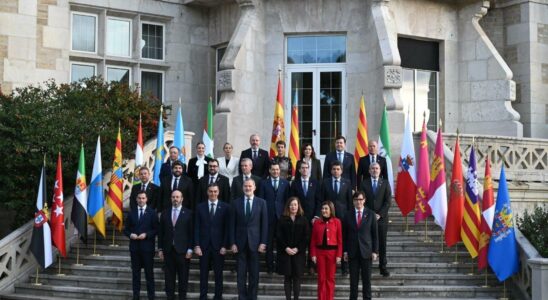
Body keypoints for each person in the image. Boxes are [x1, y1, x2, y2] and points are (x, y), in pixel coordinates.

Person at [230, 178, 268, 300]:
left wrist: (263, 242)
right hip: (240, 244)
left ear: (254, 187)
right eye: (245, 186)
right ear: (242, 188)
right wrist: (232, 243)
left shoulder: (261, 203)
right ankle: (242, 297)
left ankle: (252, 297)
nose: (247, 188)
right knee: (240, 274)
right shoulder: (236, 203)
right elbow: (232, 225)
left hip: (255, 244)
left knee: (254, 275)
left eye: (250, 186)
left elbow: (264, 224)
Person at [194, 183, 231, 300]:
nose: (213, 193)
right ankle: (203, 296)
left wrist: (225, 245)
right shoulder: (200, 207)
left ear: (218, 192)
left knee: (218, 275)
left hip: (219, 247)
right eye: (211, 191)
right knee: (203, 275)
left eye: (215, 191)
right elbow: (196, 228)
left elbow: (227, 228)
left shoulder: (226, 207)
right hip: (203, 247)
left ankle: (218, 296)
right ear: (207, 192)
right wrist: (197, 245)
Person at [158, 190, 194, 300]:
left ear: (182, 199)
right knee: (169, 278)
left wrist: (190, 249)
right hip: (168, 251)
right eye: (173, 197)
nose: (175, 199)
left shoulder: (189, 213)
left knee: (183, 278)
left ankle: (182, 297)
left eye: (177, 197)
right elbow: (161, 233)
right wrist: (160, 249)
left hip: (183, 252)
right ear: (170, 198)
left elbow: (191, 233)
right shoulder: (165, 213)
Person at [343, 191, 379, 300]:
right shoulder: (347, 215)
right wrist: (345, 251)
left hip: (366, 253)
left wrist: (375, 251)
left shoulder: (371, 214)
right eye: (356, 200)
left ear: (364, 200)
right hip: (352, 253)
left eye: (360, 199)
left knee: (367, 281)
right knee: (353, 282)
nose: (358, 202)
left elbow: (375, 235)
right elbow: (344, 235)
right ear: (353, 201)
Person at [124, 191, 158, 300]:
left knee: (149, 275)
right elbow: (126, 230)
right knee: (136, 275)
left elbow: (156, 229)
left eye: (143, 198)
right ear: (136, 199)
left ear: (146, 199)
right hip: (135, 248)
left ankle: (151, 297)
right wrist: (130, 235)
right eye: (139, 198)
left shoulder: (152, 213)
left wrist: (147, 235)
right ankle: (136, 296)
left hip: (147, 248)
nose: (141, 200)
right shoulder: (131, 213)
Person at [359, 162, 391, 277]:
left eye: (377, 168)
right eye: (372, 168)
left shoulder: (385, 183)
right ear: (369, 171)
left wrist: (380, 214)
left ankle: (383, 267)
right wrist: (371, 214)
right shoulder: (364, 183)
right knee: (368, 242)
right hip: (368, 218)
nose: (375, 170)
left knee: (382, 243)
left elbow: (388, 202)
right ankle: (367, 268)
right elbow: (362, 201)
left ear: (380, 170)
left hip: (381, 219)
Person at [320, 160, 352, 276]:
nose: (336, 171)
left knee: (343, 241)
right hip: (328, 218)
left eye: (338, 169)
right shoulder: (325, 182)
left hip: (343, 217)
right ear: (331, 171)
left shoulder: (347, 183)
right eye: (334, 169)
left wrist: (349, 216)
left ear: (342, 171)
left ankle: (344, 267)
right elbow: (321, 200)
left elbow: (349, 202)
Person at [258, 161, 290, 274]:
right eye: (273, 169)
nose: (275, 171)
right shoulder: (263, 183)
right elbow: (261, 201)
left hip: (282, 218)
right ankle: (270, 267)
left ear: (279, 171)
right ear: (270, 171)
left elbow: (287, 201)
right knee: (269, 244)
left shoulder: (285, 183)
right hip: (268, 217)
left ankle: (280, 267)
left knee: (282, 244)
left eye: (277, 169)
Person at [289, 160, 321, 274]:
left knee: (312, 242)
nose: (304, 169)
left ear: (309, 169)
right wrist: (296, 215)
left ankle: (312, 265)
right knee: (300, 241)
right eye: (302, 168)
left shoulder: (316, 183)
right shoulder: (295, 183)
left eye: (306, 167)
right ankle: (301, 266)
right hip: (299, 218)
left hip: (313, 218)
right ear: (299, 170)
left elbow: (319, 201)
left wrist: (317, 216)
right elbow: (292, 201)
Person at [276, 197, 310, 300]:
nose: (293, 207)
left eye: (295, 204)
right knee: (287, 278)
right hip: (285, 253)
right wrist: (286, 248)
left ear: (298, 206)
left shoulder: (303, 219)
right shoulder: (282, 219)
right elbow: (278, 236)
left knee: (297, 278)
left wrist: (298, 248)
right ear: (288, 206)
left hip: (298, 254)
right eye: (291, 205)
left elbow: (306, 236)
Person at [310, 201, 342, 300]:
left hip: (332, 254)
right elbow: (313, 240)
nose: (324, 211)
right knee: (321, 279)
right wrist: (313, 254)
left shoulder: (337, 222)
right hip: (320, 254)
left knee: (330, 279)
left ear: (331, 210)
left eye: (326, 209)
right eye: (323, 209)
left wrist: (339, 255)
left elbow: (340, 240)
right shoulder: (317, 222)